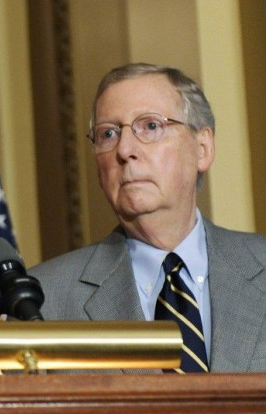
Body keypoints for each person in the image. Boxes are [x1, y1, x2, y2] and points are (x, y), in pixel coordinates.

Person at [29, 63, 266, 373]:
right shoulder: (42, 301)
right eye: (108, 133)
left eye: (151, 126)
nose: (125, 150)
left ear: (203, 148)